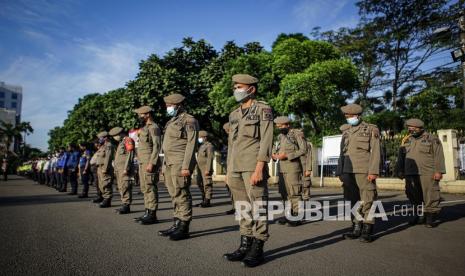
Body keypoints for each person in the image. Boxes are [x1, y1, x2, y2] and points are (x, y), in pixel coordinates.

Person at [223, 74, 274, 268]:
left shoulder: (263, 109)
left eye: (239, 86)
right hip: (235, 166)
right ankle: (245, 244)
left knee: (258, 205)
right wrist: (228, 171)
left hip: (253, 165)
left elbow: (267, 139)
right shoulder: (234, 114)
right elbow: (232, 144)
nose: (235, 90)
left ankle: (258, 247)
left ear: (251, 89)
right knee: (242, 207)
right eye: (235, 87)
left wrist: (260, 167)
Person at [336, 103, 380, 243]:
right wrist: (340, 171)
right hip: (348, 170)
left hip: (364, 169)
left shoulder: (371, 129)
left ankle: (368, 229)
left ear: (357, 116)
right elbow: (342, 153)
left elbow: (375, 152)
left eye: (349, 116)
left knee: (368, 198)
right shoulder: (347, 131)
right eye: (346, 116)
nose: (347, 118)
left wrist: (373, 171)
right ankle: (356, 226)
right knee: (352, 200)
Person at [159, 93, 199, 241]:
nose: (168, 108)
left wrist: (186, 166)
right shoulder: (171, 122)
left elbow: (191, 143)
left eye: (170, 105)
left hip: (180, 162)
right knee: (174, 194)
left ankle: (184, 226)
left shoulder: (189, 120)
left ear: (179, 105)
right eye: (167, 106)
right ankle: (176, 223)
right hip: (169, 162)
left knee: (181, 194)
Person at [396, 118, 445, 228]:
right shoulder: (407, 140)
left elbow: (438, 156)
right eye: (409, 129)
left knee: (430, 194)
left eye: (413, 129)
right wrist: (399, 170)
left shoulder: (432, 139)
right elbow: (401, 157)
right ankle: (419, 216)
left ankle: (430, 217)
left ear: (420, 128)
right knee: (412, 194)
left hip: (427, 172)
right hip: (410, 172)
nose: (411, 131)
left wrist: (439, 171)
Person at [272, 116, 307, 227]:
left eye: (281, 126)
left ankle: (298, 216)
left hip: (293, 167)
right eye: (277, 126)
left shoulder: (296, 134)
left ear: (287, 124)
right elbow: (278, 150)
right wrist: (274, 155)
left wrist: (287, 155)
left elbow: (303, 150)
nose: (279, 128)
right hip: (282, 168)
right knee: (284, 193)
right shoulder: (280, 136)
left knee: (294, 192)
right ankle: (289, 215)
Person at [133, 106, 162, 224]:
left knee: (150, 188)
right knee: (145, 188)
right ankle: (147, 212)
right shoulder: (144, 128)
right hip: (142, 162)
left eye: (141, 114)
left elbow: (157, 146)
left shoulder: (154, 127)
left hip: (149, 162)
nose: (139, 117)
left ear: (148, 114)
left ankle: (152, 214)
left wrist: (152, 162)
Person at [109, 127, 135, 215]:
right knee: (121, 187)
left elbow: (130, 155)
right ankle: (124, 204)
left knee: (125, 186)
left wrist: (126, 168)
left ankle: (126, 206)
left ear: (119, 134)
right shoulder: (121, 143)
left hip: (124, 170)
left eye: (114, 136)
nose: (114, 138)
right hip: (119, 170)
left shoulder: (128, 140)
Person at [195, 130, 214, 208]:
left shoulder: (209, 146)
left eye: (200, 137)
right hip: (199, 168)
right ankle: (203, 199)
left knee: (207, 184)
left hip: (205, 168)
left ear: (204, 137)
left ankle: (207, 200)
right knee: (199, 183)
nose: (199, 139)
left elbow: (210, 158)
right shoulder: (201, 146)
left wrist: (208, 169)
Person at [96, 131, 114, 208]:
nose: (99, 140)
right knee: (101, 185)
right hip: (100, 167)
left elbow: (108, 158)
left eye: (100, 138)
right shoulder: (103, 146)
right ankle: (104, 198)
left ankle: (107, 200)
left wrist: (105, 168)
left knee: (106, 184)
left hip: (104, 168)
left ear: (105, 138)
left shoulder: (108, 146)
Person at [222, 122, 235, 215]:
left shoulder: (236, 138)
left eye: (227, 130)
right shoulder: (230, 138)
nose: (227, 132)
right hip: (231, 166)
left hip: (236, 166)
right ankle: (235, 206)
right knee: (231, 188)